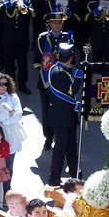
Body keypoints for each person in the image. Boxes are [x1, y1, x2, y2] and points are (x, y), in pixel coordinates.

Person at [34, 11, 73, 151]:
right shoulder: (42, 38)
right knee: (47, 111)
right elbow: (36, 61)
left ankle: (62, 137)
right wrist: (47, 72)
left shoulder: (68, 38)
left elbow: (72, 61)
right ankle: (48, 138)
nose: (57, 25)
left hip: (62, 81)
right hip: (45, 81)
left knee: (62, 110)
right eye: (55, 22)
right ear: (50, 24)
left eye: (60, 22)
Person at [48, 43, 83, 185]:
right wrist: (79, 75)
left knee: (71, 148)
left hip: (66, 117)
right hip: (63, 118)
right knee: (61, 148)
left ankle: (75, 174)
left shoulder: (57, 69)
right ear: (71, 58)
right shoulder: (60, 73)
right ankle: (54, 177)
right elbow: (72, 91)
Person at [0, 74, 24, 186]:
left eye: (6, 84)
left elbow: (18, 115)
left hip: (11, 135)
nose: (3, 87)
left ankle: (7, 190)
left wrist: (4, 121)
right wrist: (8, 113)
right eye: (0, 84)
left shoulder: (13, 97)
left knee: (8, 167)